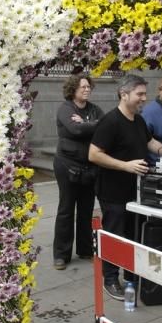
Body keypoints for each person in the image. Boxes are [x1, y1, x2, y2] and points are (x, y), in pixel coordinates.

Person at [89, 74, 162, 300]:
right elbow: (93, 154)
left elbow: (149, 141)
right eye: (140, 94)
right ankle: (111, 279)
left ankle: (132, 276)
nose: (145, 98)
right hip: (113, 192)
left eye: (145, 93)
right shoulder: (110, 121)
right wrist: (125, 166)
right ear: (124, 95)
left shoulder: (138, 120)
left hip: (136, 192)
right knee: (115, 235)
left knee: (134, 235)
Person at [53, 74, 104, 270]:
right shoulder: (65, 109)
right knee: (66, 209)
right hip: (66, 166)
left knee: (86, 209)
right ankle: (61, 255)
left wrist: (86, 123)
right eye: (83, 87)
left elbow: (104, 126)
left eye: (88, 86)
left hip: (89, 167)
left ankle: (84, 249)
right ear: (73, 89)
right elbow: (76, 130)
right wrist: (87, 125)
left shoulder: (94, 109)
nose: (87, 89)